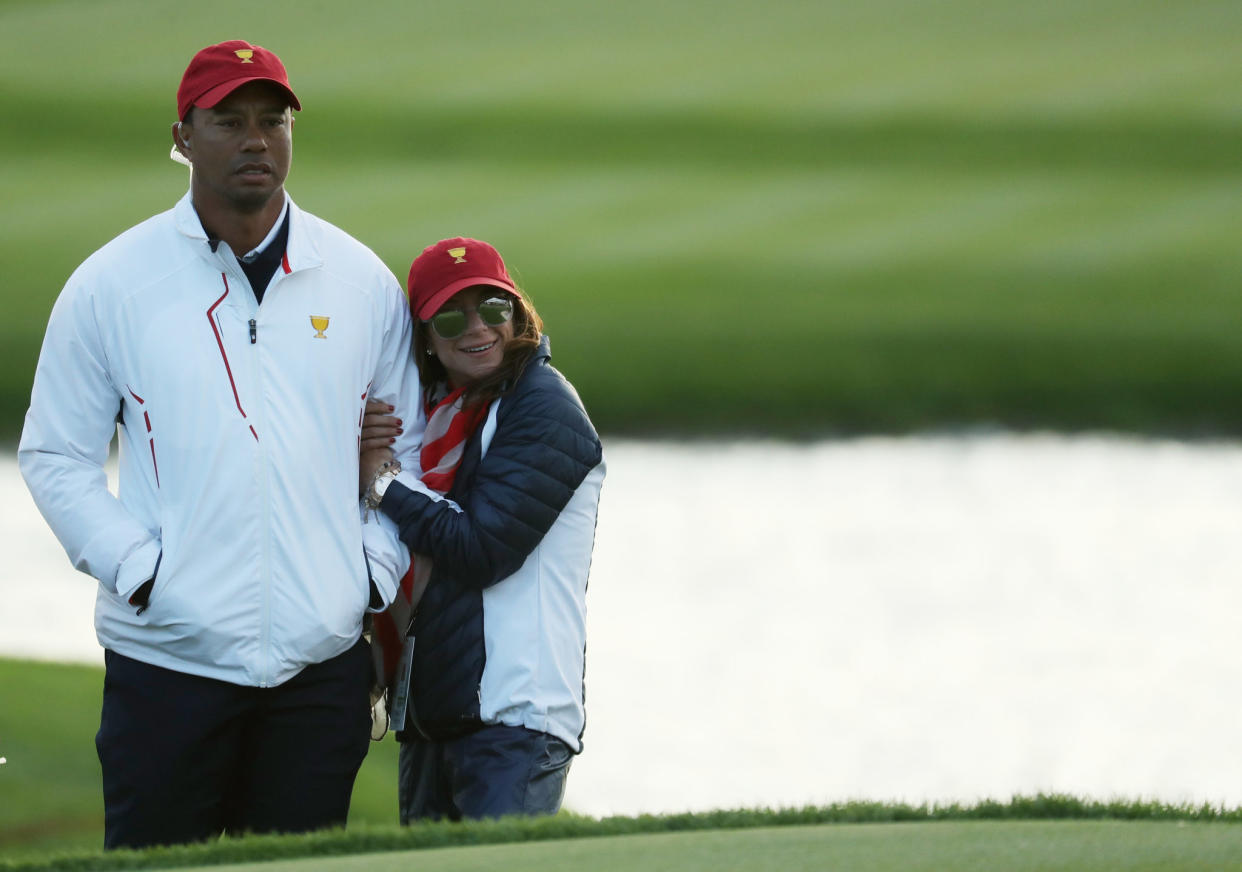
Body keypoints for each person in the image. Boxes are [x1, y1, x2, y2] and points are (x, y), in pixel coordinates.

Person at [18, 40, 421, 848]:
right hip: (168, 664)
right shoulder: (113, 283)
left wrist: (366, 575)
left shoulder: (359, 280)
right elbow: (55, 456)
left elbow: (402, 450)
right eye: (229, 121)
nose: (255, 139)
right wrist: (141, 573)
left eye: (272, 121)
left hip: (318, 664)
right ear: (183, 135)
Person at [358, 237, 605, 821]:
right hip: (430, 711)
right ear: (424, 336)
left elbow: (481, 549)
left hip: (514, 714)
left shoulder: (543, 408)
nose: (476, 328)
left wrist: (382, 481)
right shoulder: (436, 418)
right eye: (450, 315)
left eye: (493, 308)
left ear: (517, 314)